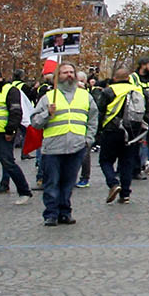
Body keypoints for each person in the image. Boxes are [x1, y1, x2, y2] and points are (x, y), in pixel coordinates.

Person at [28, 62, 97, 228]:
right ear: (58, 76)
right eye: (65, 72)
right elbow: (35, 123)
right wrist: (47, 113)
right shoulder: (48, 98)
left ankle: (65, 212)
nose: (69, 75)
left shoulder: (85, 96)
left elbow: (93, 119)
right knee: (52, 182)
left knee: (68, 182)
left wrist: (89, 139)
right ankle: (51, 214)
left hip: (76, 146)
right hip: (53, 147)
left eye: (72, 72)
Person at [0, 70, 33, 203]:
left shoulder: (10, 90)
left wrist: (10, 131)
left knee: (8, 163)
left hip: (2, 135)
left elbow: (15, 111)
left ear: (1, 79)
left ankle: (24, 192)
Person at [96, 67, 146, 205]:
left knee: (105, 160)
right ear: (129, 78)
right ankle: (125, 194)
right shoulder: (138, 90)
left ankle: (113, 183)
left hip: (112, 130)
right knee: (126, 163)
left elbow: (100, 112)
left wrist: (98, 131)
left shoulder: (109, 91)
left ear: (115, 78)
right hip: (132, 132)